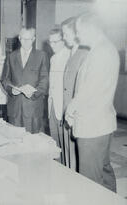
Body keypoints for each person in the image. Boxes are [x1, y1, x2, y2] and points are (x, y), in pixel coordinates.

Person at [65, 13, 119, 192]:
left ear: (91, 29)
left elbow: (89, 89)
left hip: (92, 126)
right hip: (102, 123)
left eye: (79, 31)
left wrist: (70, 110)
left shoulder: (100, 52)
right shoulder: (105, 49)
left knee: (89, 183)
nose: (78, 35)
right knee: (104, 173)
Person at [0, 27, 49, 134]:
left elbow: (45, 80)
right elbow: (4, 79)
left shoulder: (42, 56)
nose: (26, 42)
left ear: (34, 39)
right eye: (23, 39)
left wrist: (34, 92)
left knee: (33, 143)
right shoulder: (11, 56)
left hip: (33, 108)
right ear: (19, 38)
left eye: (29, 39)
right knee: (15, 142)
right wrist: (11, 90)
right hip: (15, 109)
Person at [61, 17, 89, 170]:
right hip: (68, 112)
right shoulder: (71, 52)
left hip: (77, 113)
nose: (64, 38)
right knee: (69, 152)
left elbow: (85, 88)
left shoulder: (85, 54)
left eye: (66, 34)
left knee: (78, 157)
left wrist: (73, 111)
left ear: (76, 33)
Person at [48, 27, 70, 165]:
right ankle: (58, 170)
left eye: (56, 42)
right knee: (55, 144)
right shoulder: (53, 58)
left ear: (64, 40)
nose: (53, 45)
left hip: (62, 107)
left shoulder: (69, 56)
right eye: (51, 42)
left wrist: (65, 110)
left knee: (66, 146)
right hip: (52, 107)